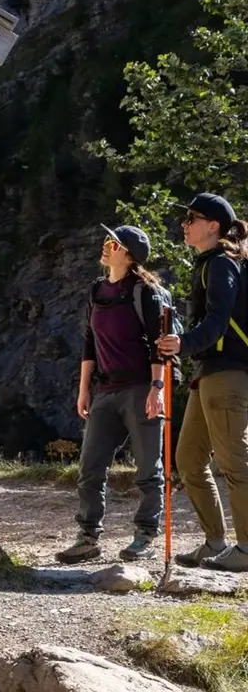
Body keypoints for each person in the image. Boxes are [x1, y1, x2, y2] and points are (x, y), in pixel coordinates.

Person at [57, 224, 167, 564]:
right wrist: (83, 390)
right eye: (107, 240)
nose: (106, 246)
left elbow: (159, 346)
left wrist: (157, 389)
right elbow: (89, 342)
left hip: (140, 389)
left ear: (129, 255)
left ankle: (146, 535)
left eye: (113, 243)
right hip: (105, 390)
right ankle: (88, 537)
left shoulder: (145, 292)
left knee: (148, 469)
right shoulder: (97, 290)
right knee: (90, 467)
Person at [158, 193, 248, 572]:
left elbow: (217, 320)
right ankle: (215, 542)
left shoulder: (221, 264)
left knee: (235, 462)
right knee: (189, 459)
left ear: (213, 226)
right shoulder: (213, 264)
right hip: (210, 373)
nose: (185, 224)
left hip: (229, 373)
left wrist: (184, 342)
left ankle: (245, 550)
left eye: (191, 218)